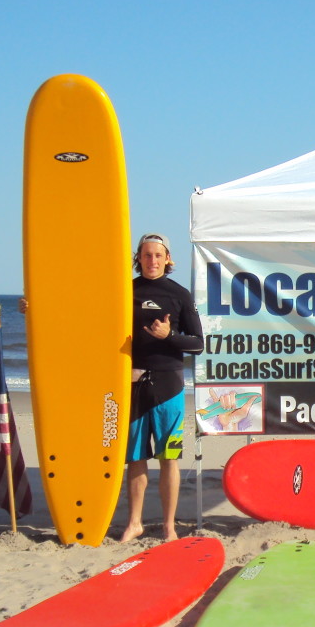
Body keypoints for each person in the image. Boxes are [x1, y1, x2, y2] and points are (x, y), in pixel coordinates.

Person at [121, 232, 204, 542]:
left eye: (158, 255)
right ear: (138, 258)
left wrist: (168, 336)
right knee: (136, 457)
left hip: (169, 387)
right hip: (133, 385)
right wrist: (34, 307)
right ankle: (135, 523)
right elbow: (85, 317)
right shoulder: (125, 291)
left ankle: (169, 526)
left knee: (169, 457)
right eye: (146, 255)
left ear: (168, 259)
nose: (152, 260)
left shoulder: (179, 295)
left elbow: (197, 344)